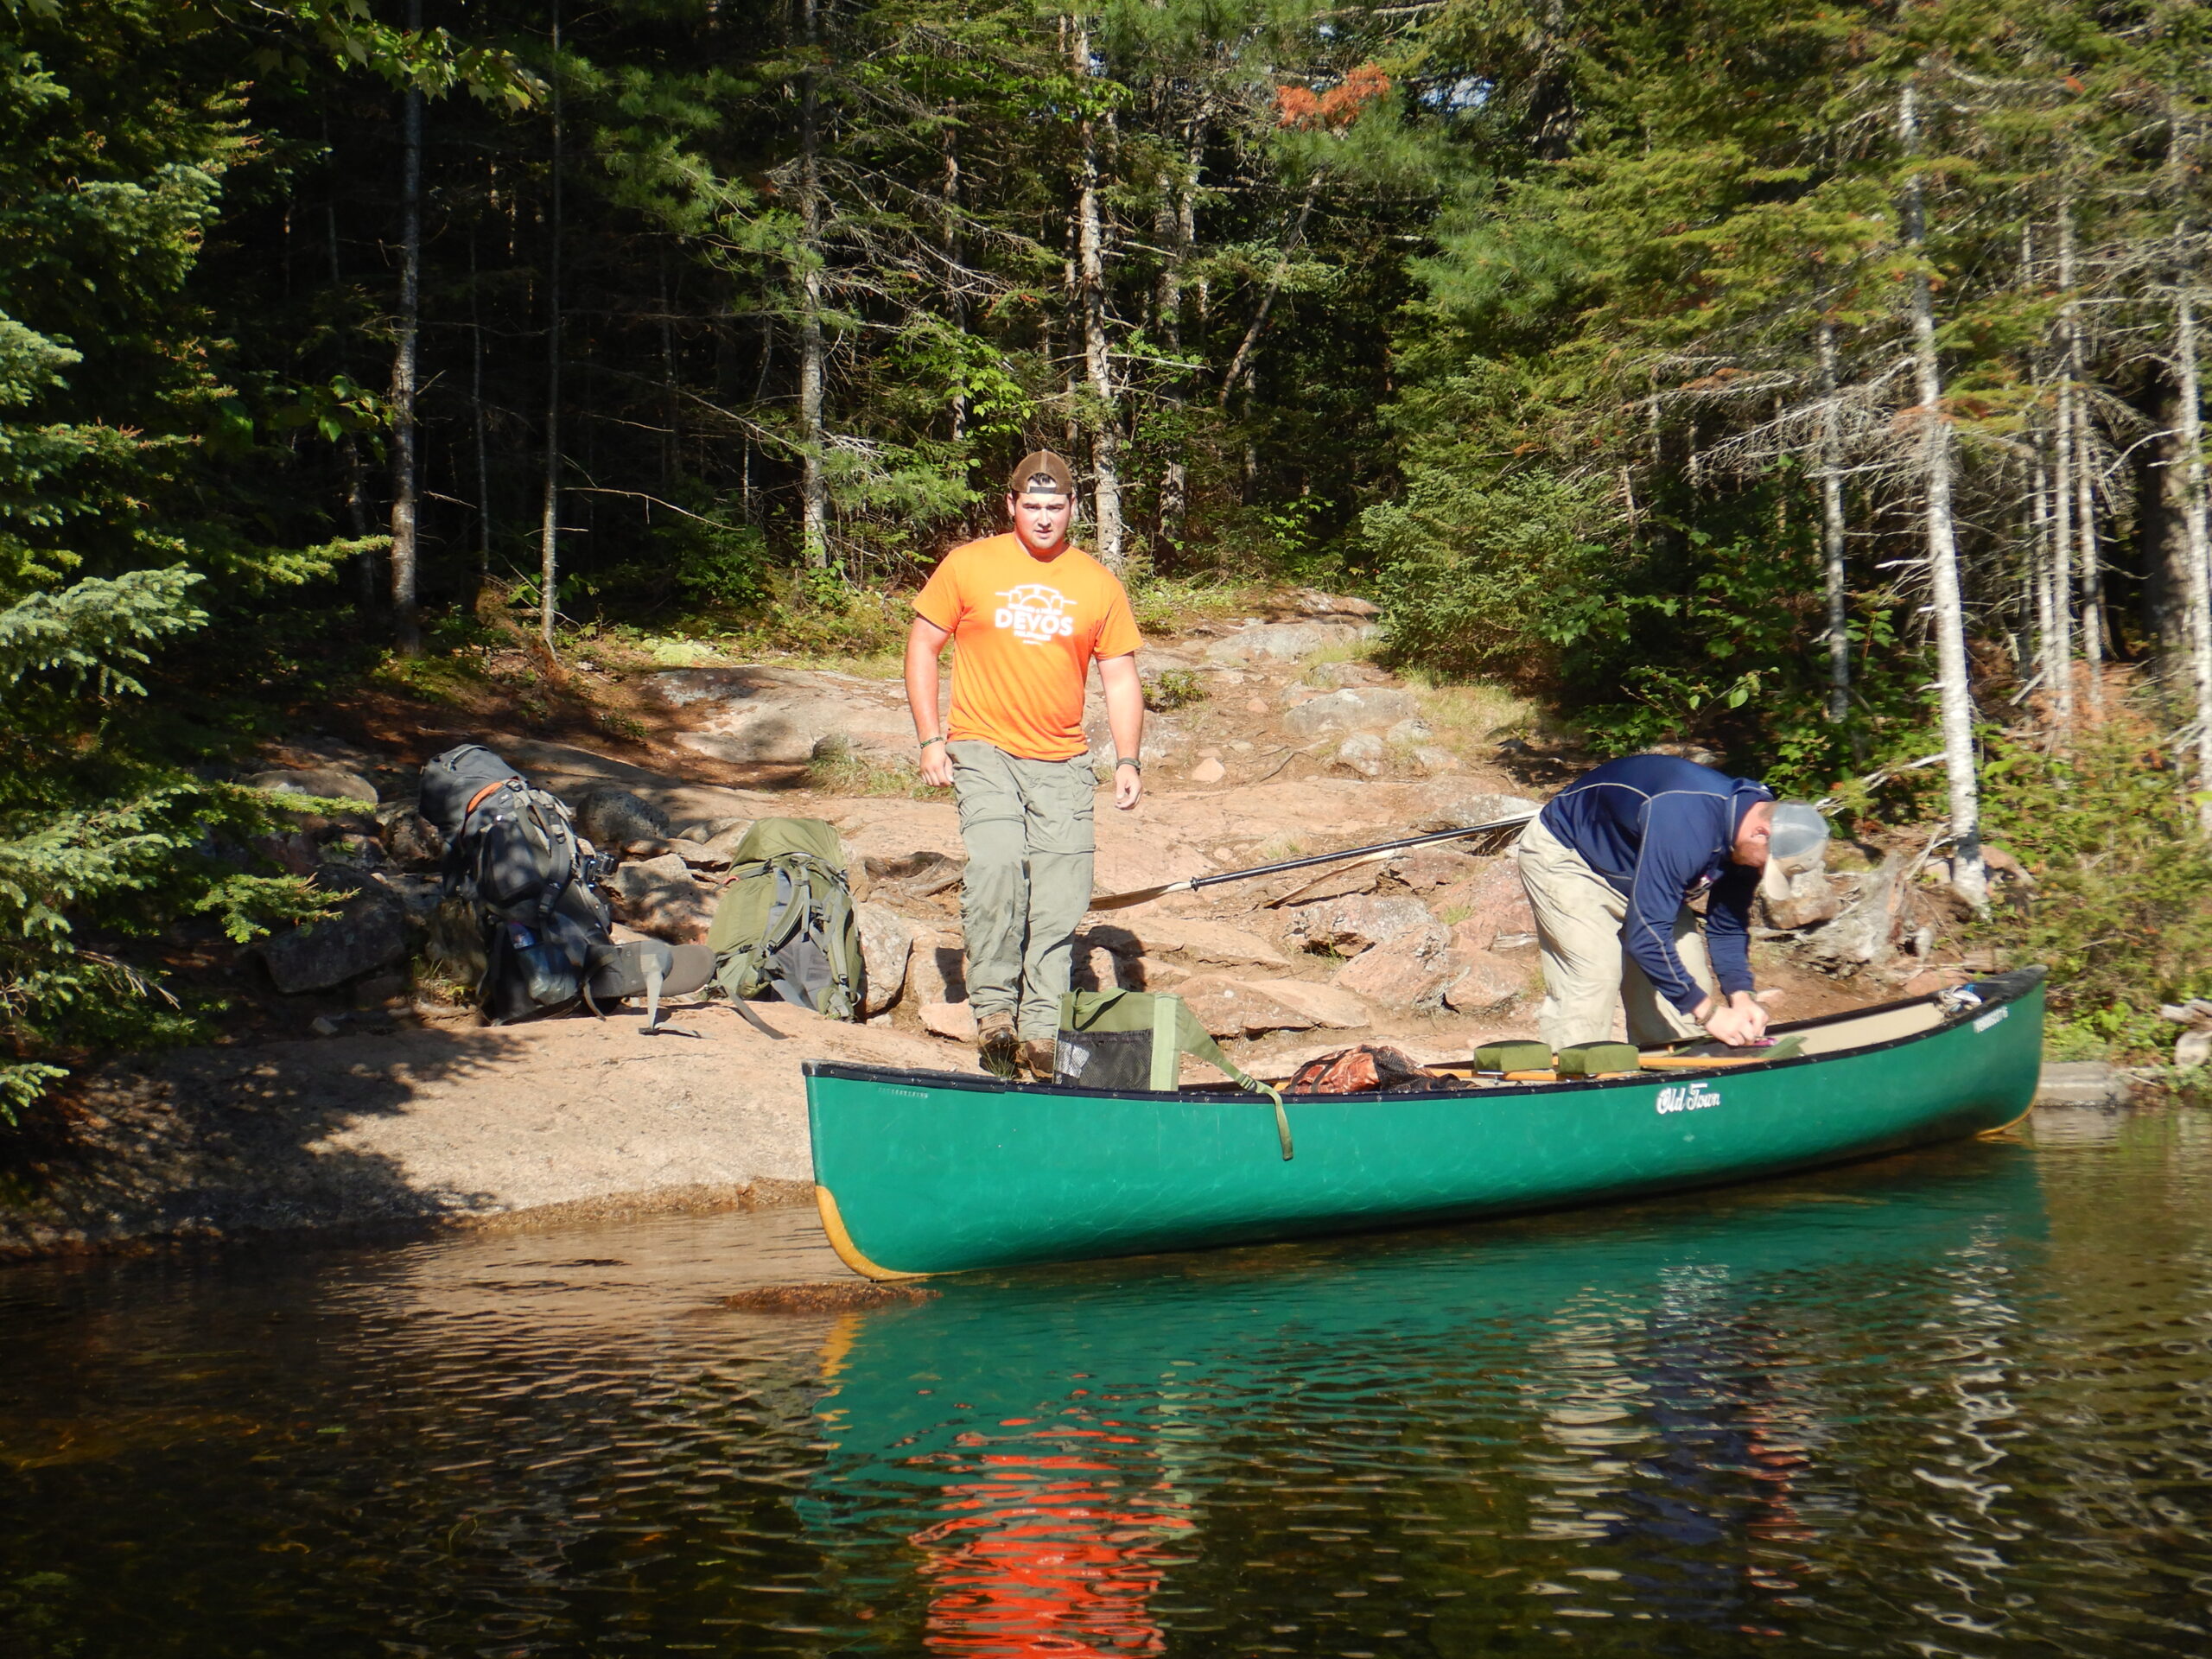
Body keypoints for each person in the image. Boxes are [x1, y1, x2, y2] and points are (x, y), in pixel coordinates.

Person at [906, 451, 1145, 1079]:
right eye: (1032, 506)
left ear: (1073, 509)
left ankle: (1040, 1028)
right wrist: (932, 738)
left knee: (1061, 896)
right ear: (1011, 504)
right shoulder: (968, 565)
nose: (1043, 518)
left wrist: (1127, 757)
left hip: (1063, 760)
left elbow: (1120, 677)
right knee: (996, 865)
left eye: (1056, 506)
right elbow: (923, 646)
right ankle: (993, 1012)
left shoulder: (1096, 582)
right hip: (983, 748)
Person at [1514, 753, 1777, 1051]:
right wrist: (1711, 1014)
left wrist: (1742, 996)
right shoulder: (1686, 820)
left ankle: (1671, 1086)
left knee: (1688, 985)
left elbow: (1727, 926)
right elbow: (1647, 938)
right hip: (1573, 858)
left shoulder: (1749, 835)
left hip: (1646, 870)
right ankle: (1570, 1086)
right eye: (1766, 864)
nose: (1761, 872)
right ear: (1760, 833)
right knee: (1594, 978)